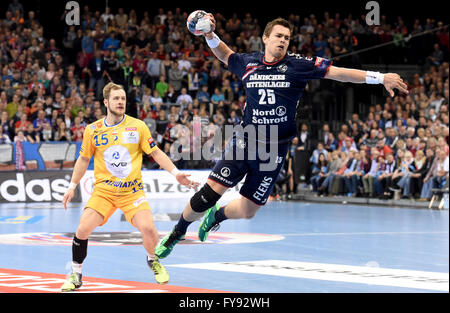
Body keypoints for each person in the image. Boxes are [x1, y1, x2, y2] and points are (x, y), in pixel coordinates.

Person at [155, 15, 408, 258]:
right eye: (278, 35)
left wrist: (380, 78)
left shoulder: (298, 65)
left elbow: (337, 72)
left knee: (247, 210)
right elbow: (225, 55)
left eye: (287, 37)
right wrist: (210, 34)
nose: (283, 40)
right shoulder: (248, 62)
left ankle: (216, 216)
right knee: (208, 194)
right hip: (246, 141)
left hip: (275, 149)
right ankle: (176, 234)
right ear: (265, 38)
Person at [60, 82, 199, 291]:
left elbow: (156, 153)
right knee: (82, 229)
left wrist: (175, 173)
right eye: (116, 99)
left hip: (132, 192)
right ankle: (76, 274)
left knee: (149, 229)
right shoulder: (93, 130)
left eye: (123, 99)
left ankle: (153, 260)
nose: (120, 102)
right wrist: (72, 186)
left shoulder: (138, 126)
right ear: (106, 102)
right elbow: (83, 160)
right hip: (104, 191)